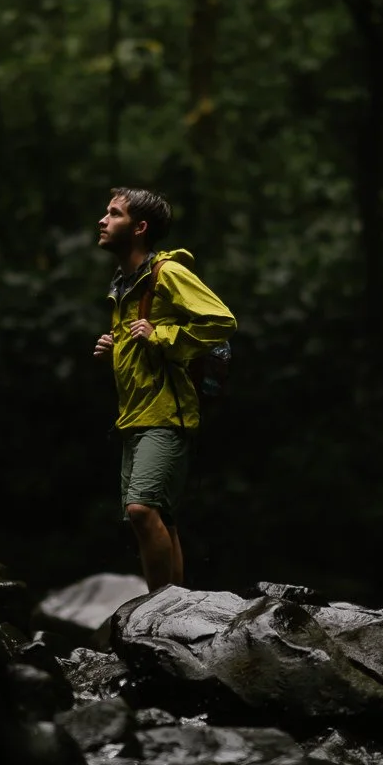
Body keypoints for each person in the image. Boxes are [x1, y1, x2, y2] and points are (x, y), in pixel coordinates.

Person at [93, 186, 236, 591]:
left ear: (139, 228)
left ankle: (154, 609)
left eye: (114, 214)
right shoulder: (124, 284)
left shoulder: (167, 272)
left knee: (141, 509)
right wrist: (115, 348)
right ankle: (173, 607)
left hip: (168, 413)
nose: (103, 220)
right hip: (135, 416)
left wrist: (163, 333)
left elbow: (222, 321)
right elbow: (143, 347)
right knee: (159, 517)